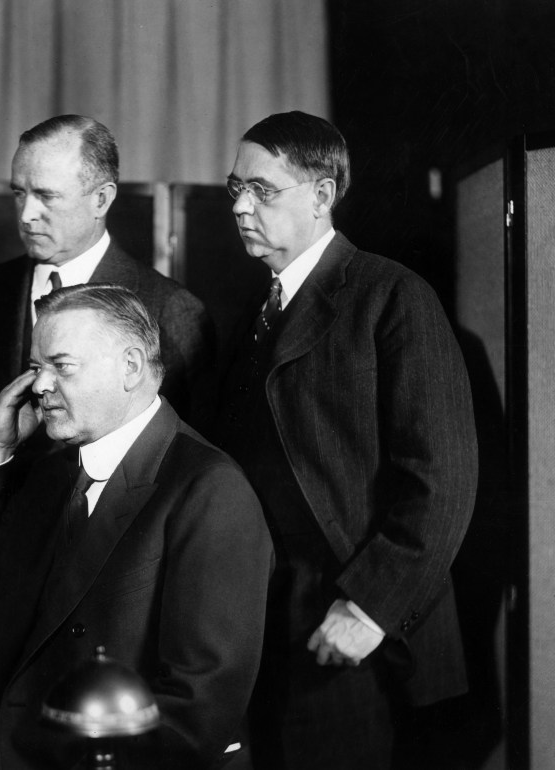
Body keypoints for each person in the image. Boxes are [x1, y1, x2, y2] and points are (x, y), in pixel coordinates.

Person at [210, 111, 478, 769]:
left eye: (263, 190)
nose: (241, 206)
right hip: (266, 623)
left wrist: (368, 609)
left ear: (322, 195)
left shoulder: (393, 295)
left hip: (353, 631)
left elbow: (442, 479)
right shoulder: (253, 311)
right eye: (235, 188)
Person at [0, 283, 272, 769]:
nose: (40, 386)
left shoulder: (209, 488)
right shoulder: (50, 476)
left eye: (62, 366)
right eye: (36, 367)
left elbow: (198, 704)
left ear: (130, 367)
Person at [0, 114, 215, 437]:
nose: (26, 215)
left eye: (46, 196)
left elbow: (185, 446)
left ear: (101, 199)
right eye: (19, 193)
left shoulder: (171, 308)